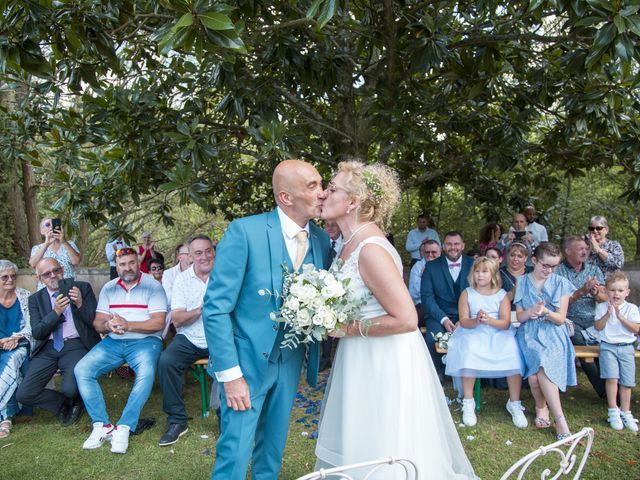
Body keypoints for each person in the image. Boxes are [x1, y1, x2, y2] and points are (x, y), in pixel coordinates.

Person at [315, 160, 475, 479]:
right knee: (361, 434)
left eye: (332, 188)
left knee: (384, 439)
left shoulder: (371, 249)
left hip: (383, 358)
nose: (322, 194)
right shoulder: (347, 242)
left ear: (354, 201)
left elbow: (405, 319)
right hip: (360, 353)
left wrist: (346, 328)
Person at [203, 160, 330, 480]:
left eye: (321, 184)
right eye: (312, 186)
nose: (323, 193)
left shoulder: (321, 241)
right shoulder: (244, 231)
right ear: (286, 197)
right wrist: (230, 375)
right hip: (244, 363)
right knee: (236, 450)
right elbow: (216, 308)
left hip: (290, 362)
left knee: (272, 449)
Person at [74, 247, 167, 454]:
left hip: (145, 341)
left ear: (138, 263)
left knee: (146, 373)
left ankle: (124, 426)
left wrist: (129, 325)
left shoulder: (153, 286)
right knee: (82, 370)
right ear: (117, 267)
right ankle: (102, 425)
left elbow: (158, 323)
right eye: (123, 264)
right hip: (114, 341)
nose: (127, 268)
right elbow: (98, 322)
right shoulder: (109, 288)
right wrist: (109, 327)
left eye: (132, 263)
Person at [445, 257, 527, 428]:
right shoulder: (467, 293)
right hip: (472, 331)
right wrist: (477, 321)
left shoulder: (501, 295)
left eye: (484, 271)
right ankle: (468, 402)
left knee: (512, 352)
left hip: (498, 331)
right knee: (469, 350)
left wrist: (489, 320)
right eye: (477, 271)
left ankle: (514, 402)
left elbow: (505, 323)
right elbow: (464, 321)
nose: (480, 275)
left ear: (493, 274)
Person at [16, 258, 99, 427]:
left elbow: (94, 322)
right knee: (24, 394)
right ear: (39, 278)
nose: (53, 275)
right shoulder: (35, 299)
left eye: (56, 270)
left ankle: (73, 398)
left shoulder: (82, 288)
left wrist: (80, 303)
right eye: (47, 274)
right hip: (48, 347)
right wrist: (56, 313)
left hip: (75, 344)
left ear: (62, 269)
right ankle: (64, 403)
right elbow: (38, 333)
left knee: (70, 388)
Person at [514, 242, 576, 440]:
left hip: (554, 333)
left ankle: (556, 416)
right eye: (545, 265)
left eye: (554, 266)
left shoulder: (561, 283)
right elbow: (520, 317)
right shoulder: (522, 282)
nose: (549, 270)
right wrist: (531, 311)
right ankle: (546, 410)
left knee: (539, 369)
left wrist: (546, 312)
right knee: (538, 366)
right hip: (529, 334)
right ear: (534, 261)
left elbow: (560, 319)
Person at [158, 235, 215, 446]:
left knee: (229, 359)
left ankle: (224, 416)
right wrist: (201, 309)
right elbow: (177, 318)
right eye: (198, 253)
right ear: (190, 256)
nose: (204, 256)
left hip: (218, 335)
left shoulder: (224, 275)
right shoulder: (182, 279)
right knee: (166, 361)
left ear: (214, 251)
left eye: (208, 251)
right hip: (189, 336)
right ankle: (177, 420)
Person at [555, 236, 607, 398]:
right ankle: (605, 392)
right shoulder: (558, 272)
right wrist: (581, 292)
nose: (585, 252)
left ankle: (612, 389)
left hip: (593, 318)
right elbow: (558, 304)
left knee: (605, 348)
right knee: (584, 347)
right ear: (568, 251)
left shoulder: (594, 269)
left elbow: (606, 298)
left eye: (586, 248)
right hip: (569, 319)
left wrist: (596, 292)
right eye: (580, 249)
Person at [421, 231, 474, 383]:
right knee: (433, 338)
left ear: (463, 246)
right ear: (443, 246)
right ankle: (437, 373)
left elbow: (480, 294)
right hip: (439, 314)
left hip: (468, 314)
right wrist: (443, 319)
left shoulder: (474, 265)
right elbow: (427, 298)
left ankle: (474, 372)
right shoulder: (431, 267)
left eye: (456, 244)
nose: (453, 247)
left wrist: (464, 319)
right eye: (449, 244)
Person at [594, 272, 640, 432]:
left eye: (620, 291)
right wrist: (608, 314)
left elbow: (636, 329)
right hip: (608, 347)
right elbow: (598, 327)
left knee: (626, 382)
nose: (616, 294)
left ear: (627, 292)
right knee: (611, 378)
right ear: (606, 291)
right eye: (613, 290)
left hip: (626, 347)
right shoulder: (601, 307)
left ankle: (626, 411)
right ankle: (613, 410)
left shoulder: (631, 308)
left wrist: (621, 318)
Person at [0, 260, 31, 439]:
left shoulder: (25, 296)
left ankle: (5, 417)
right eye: (4, 277)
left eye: (13, 276)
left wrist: (16, 337)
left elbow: (32, 327)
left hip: (19, 344)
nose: (10, 280)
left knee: (10, 360)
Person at [29, 218, 81, 290]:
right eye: (47, 225)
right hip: (46, 290)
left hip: (68, 287)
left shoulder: (70, 244)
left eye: (53, 224)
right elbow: (32, 264)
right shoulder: (37, 248)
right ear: (42, 231)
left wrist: (64, 241)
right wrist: (46, 244)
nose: (51, 227)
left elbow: (76, 262)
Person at [320, 221, 343, 371]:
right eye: (327, 226)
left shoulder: (347, 243)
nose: (330, 229)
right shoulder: (321, 243)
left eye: (333, 225)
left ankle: (340, 358)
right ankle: (326, 357)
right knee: (326, 322)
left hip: (343, 288)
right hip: (324, 289)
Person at [408, 239, 441, 328]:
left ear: (440, 252)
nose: (430, 255)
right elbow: (414, 293)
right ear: (423, 253)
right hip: (423, 305)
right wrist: (424, 278)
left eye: (433, 252)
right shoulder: (417, 267)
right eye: (427, 252)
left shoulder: (445, 265)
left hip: (442, 304)